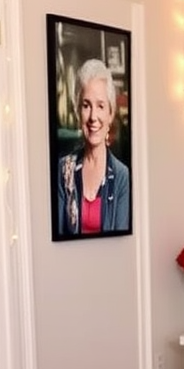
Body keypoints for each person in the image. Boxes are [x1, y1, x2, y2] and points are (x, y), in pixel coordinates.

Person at [56, 59, 131, 236]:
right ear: (77, 111)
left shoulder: (121, 175)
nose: (93, 117)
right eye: (86, 105)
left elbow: (120, 246)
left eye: (100, 106)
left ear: (110, 113)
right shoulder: (63, 169)